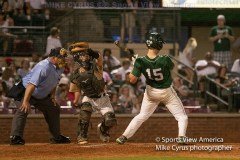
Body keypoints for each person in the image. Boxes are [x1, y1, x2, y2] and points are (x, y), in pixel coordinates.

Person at [116, 32, 188, 144]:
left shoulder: (140, 61)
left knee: (142, 116)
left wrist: (135, 65)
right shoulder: (165, 59)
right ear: (158, 44)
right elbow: (171, 66)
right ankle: (182, 137)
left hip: (151, 93)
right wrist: (138, 63)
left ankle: (123, 137)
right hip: (166, 91)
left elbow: (132, 80)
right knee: (181, 116)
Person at [8, 47, 71, 145]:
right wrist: (25, 101)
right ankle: (15, 137)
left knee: (54, 108)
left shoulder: (60, 67)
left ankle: (56, 137)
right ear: (54, 57)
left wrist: (52, 97)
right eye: (61, 58)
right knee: (23, 109)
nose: (64, 60)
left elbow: (54, 82)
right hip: (25, 90)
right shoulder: (43, 66)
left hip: (40, 94)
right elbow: (31, 85)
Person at [68, 42, 117, 145]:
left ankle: (102, 129)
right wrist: (76, 101)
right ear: (78, 58)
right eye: (82, 55)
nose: (85, 57)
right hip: (88, 98)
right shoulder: (75, 74)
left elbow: (99, 58)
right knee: (85, 109)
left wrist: (92, 52)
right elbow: (76, 90)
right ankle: (82, 135)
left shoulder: (96, 66)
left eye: (86, 55)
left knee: (110, 120)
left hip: (103, 99)